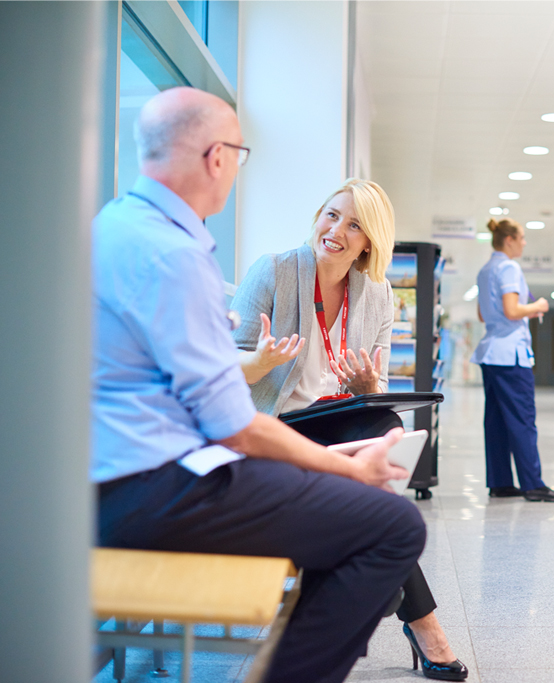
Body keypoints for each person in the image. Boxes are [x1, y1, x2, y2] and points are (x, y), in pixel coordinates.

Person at [91, 86, 426, 683]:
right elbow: (237, 425)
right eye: (240, 155)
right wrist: (347, 469)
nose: (336, 229)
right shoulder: (181, 255)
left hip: (120, 472)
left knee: (367, 463)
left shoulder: (116, 227)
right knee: (393, 525)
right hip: (159, 483)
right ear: (217, 157)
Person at [230, 179, 468, 681]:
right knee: (374, 490)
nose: (336, 230)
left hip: (331, 419)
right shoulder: (273, 272)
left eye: (355, 224)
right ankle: (423, 624)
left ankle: (381, 586)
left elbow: (374, 381)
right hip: (276, 425)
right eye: (332, 215)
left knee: (383, 421)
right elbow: (224, 375)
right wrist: (260, 361)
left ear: (369, 242)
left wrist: (367, 383)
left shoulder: (376, 294)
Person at [472, 218, 554, 503]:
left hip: (491, 353)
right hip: (511, 354)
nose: (525, 243)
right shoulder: (509, 267)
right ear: (510, 239)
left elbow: (482, 315)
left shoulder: (485, 269)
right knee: (523, 419)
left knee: (497, 421)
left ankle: (500, 482)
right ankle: (532, 484)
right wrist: (537, 306)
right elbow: (512, 310)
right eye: (522, 237)